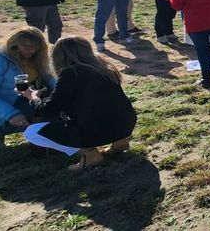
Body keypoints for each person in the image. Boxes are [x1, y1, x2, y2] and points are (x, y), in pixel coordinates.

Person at [20, 37, 137, 170]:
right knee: (104, 111)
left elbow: (48, 110)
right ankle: (120, 142)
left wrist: (33, 97)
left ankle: (90, 154)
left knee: (32, 132)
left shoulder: (70, 73)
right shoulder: (104, 66)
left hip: (97, 130)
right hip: (126, 123)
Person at [0, 27, 55, 151]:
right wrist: (12, 114)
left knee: (54, 107)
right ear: (14, 43)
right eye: (26, 46)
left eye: (35, 46)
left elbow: (49, 78)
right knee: (45, 115)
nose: (32, 50)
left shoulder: (35, 58)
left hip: (20, 100)